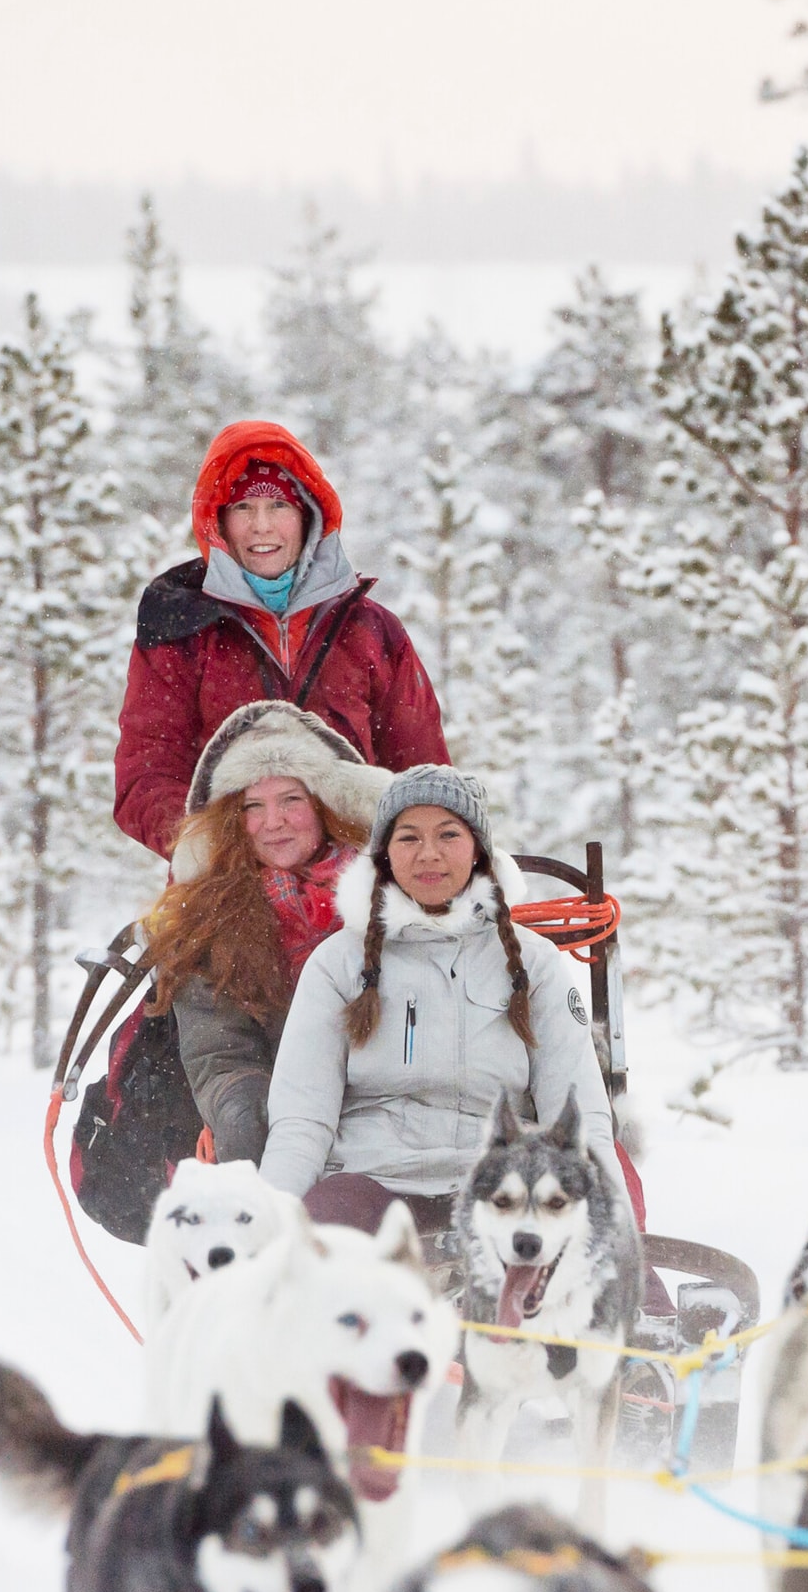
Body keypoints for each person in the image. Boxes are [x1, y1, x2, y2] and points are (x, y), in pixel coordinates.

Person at [259, 766, 618, 1239]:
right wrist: (263, 1230)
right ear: (386, 855)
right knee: (316, 1254)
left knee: (580, 1265)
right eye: (408, 838)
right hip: (369, 1182)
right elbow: (302, 1121)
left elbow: (577, 1115)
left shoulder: (535, 962)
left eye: (448, 834)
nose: (429, 854)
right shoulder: (337, 963)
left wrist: (617, 1236)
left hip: (501, 1187)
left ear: (478, 850)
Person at [113, 420, 450, 861]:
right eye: (243, 508)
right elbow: (146, 772)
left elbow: (421, 772)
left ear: (308, 514)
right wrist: (212, 846)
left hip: (360, 882)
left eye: (278, 507)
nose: (261, 527)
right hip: (229, 885)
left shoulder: (371, 630)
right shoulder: (182, 630)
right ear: (218, 522)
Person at [134, 703, 389, 1164]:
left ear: (324, 804)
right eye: (254, 806)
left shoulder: (390, 894)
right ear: (234, 820)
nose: (273, 822)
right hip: (283, 1129)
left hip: (392, 1114)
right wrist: (244, 1110)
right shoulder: (210, 919)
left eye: (291, 799)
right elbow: (219, 1052)